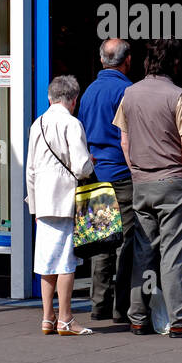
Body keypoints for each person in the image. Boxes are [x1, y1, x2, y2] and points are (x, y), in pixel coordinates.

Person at [115, 38, 182, 337]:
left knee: (144, 251)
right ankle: (180, 320)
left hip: (142, 183)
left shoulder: (129, 94)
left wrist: (136, 172)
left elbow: (124, 140)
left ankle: (138, 316)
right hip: (173, 183)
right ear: (175, 63)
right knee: (173, 255)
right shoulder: (179, 96)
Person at [26, 75, 94, 336]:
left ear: (50, 97)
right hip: (65, 201)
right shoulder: (72, 123)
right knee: (66, 261)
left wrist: (33, 205)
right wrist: (92, 162)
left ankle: (47, 318)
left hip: (42, 203)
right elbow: (81, 167)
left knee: (45, 261)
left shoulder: (37, 125)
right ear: (74, 100)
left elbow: (30, 171)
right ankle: (65, 319)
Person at [77, 38, 135, 322]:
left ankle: (98, 304)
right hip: (123, 174)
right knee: (125, 244)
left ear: (102, 60)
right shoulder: (127, 91)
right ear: (127, 61)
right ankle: (121, 308)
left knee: (101, 241)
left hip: (96, 175)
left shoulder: (88, 92)